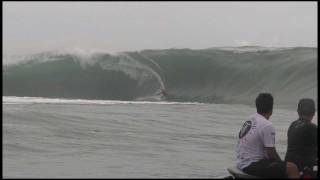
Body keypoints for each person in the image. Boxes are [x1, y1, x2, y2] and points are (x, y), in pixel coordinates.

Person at [236, 93, 300, 178]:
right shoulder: (267, 125)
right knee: (292, 168)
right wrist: (282, 165)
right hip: (251, 165)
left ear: (257, 106)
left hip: (241, 162)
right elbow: (271, 154)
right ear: (271, 108)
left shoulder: (251, 118)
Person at [285, 98, 317, 177]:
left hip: (289, 166)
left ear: (298, 111)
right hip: (303, 170)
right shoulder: (312, 128)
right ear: (314, 112)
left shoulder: (293, 124)